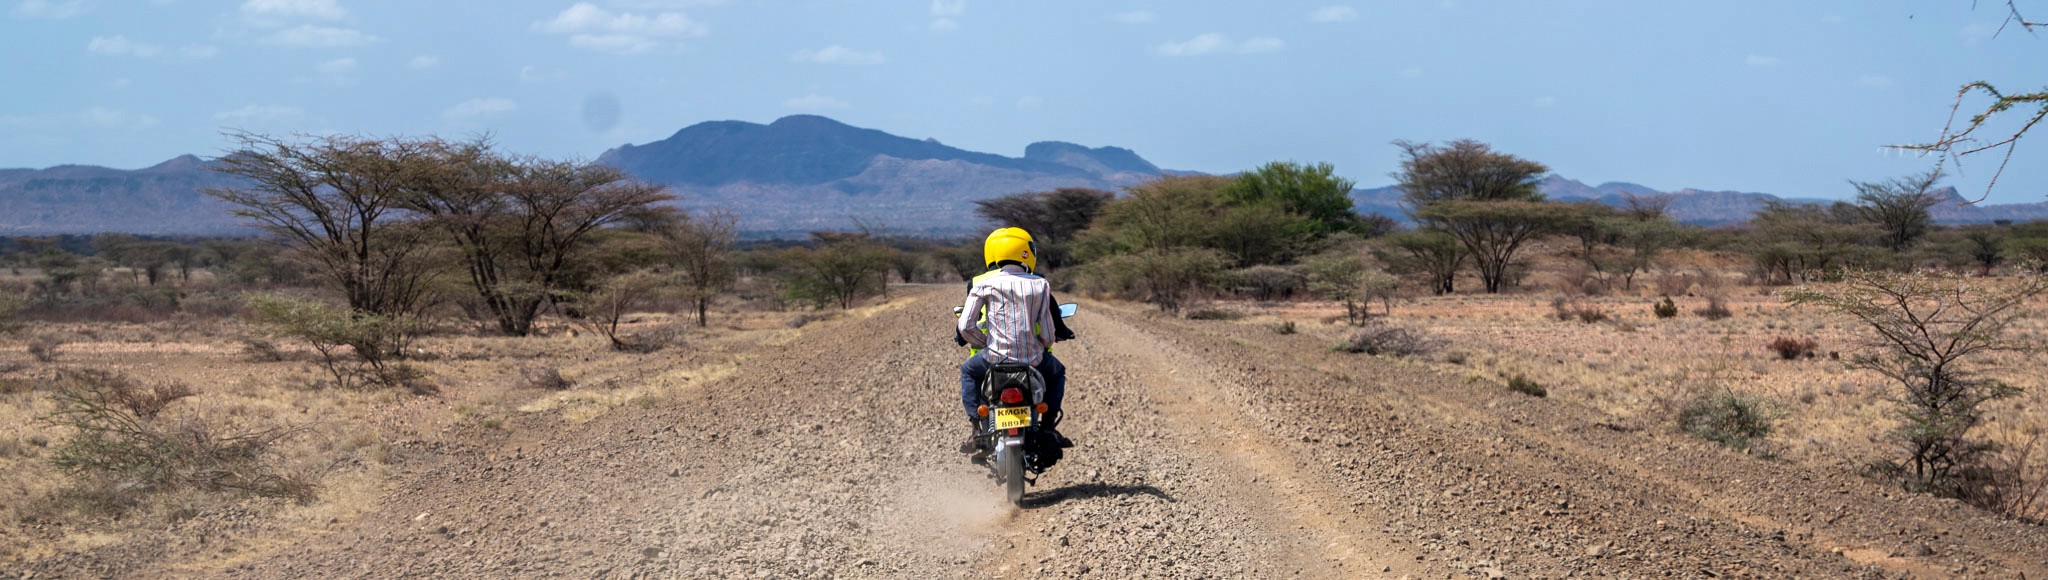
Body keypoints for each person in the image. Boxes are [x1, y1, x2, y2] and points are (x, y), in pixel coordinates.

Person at [956, 227, 1073, 454]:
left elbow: (964, 326)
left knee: (968, 372)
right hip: (1033, 359)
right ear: (1027, 253)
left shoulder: (982, 284)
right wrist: (1041, 345)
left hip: (992, 358)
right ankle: (1048, 427)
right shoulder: (1040, 285)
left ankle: (975, 428)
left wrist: (984, 342)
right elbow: (1049, 331)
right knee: (1057, 372)